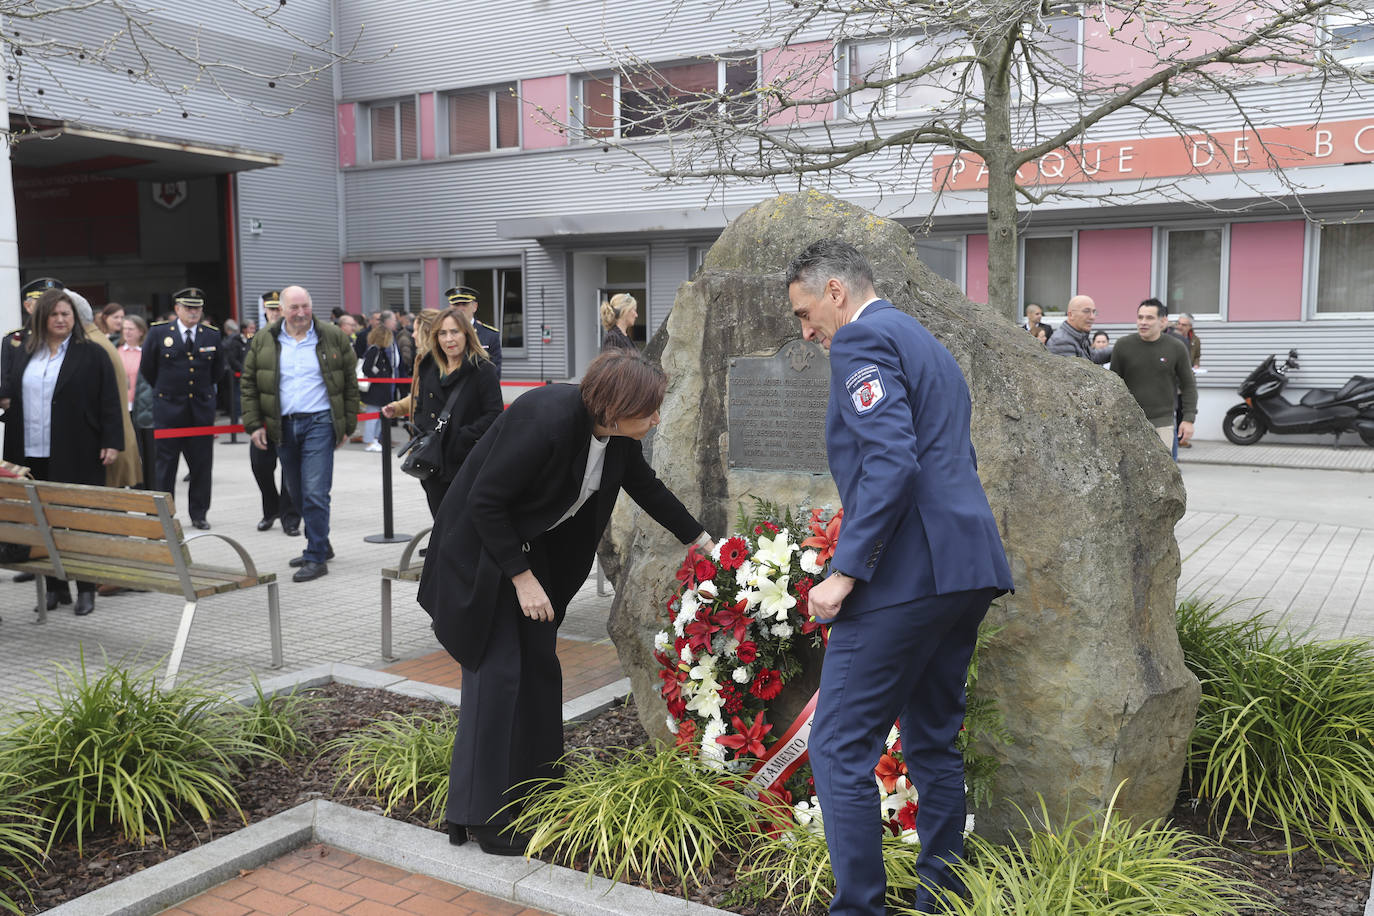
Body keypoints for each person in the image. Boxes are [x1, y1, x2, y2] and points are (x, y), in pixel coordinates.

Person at [784, 239, 1012, 915]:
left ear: (835, 292)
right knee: (933, 739)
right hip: (966, 567)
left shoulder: (862, 341)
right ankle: (942, 896)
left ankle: (860, 909)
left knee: (838, 746)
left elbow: (891, 462)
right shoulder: (923, 340)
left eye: (805, 312)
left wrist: (846, 571)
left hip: (907, 576)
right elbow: (948, 454)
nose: (805, 330)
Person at [418, 349, 712, 855]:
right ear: (614, 409)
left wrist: (705, 542)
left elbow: (648, 489)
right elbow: (484, 501)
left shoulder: (616, 438)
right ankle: (484, 820)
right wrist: (523, 580)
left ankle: (534, 795)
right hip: (484, 556)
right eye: (649, 410)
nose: (657, 418)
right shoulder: (546, 418)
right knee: (499, 676)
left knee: (537, 673)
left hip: (529, 555)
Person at [0, 289, 124, 616]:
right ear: (41, 318)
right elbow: (10, 393)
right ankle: (55, 588)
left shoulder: (92, 353)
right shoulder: (26, 352)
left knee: (77, 521)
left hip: (78, 450)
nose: (59, 320)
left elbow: (109, 400)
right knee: (41, 522)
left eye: (65, 314)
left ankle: (86, 589)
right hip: (29, 453)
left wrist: (111, 441)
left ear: (75, 318)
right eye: (53, 314)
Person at [241, 285, 359, 582]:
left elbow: (349, 382)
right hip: (282, 426)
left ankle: (316, 555)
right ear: (280, 309)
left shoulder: (332, 335)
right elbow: (250, 385)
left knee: (315, 491)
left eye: (305, 305)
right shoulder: (264, 340)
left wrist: (347, 424)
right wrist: (254, 424)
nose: (301, 312)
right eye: (293, 307)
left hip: (319, 423)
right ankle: (322, 542)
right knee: (295, 491)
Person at [382, 307, 503, 516]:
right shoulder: (429, 366)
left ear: (466, 333)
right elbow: (421, 405)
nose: (449, 339)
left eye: (455, 332)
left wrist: (463, 437)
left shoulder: (483, 369)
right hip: (433, 462)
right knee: (440, 521)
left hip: (466, 461)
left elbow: (494, 415)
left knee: (464, 524)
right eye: (442, 333)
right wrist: (422, 432)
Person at [139, 287, 225, 530]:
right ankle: (164, 514)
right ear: (177, 309)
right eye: (188, 308)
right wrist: (166, 392)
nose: (193, 312)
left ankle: (199, 514)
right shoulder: (159, 333)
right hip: (168, 410)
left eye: (197, 308)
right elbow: (148, 368)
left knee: (201, 464)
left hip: (200, 409)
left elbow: (218, 370)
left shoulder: (211, 335)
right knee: (165, 466)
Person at [67, 290, 141, 490]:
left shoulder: (91, 346)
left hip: (105, 451)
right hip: (112, 446)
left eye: (62, 314)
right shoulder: (97, 340)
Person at [1111, 300, 1197, 456]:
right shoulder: (1123, 346)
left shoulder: (1176, 347)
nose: (1143, 322)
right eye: (1140, 317)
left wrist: (1189, 419)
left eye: (1149, 318)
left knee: (1163, 477)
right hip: (1128, 422)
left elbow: (1188, 385)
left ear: (1163, 321)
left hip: (1162, 422)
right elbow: (1113, 386)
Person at [245, 291, 300, 534]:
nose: (276, 314)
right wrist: (252, 421)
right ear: (265, 312)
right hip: (265, 418)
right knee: (261, 467)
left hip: (290, 416)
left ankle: (290, 517)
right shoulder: (256, 340)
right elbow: (248, 382)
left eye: (279, 309)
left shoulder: (297, 338)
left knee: (291, 471)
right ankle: (271, 510)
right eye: (272, 310)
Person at [445, 286, 502, 378]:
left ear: (475, 306)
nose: (460, 308)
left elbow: (494, 373)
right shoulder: (442, 335)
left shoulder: (490, 335)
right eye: (456, 305)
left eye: (464, 304)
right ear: (450, 307)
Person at [360, 321, 400, 452]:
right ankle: (370, 441)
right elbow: (367, 368)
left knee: (378, 417)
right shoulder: (375, 350)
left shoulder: (380, 350)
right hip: (375, 390)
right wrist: (378, 379)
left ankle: (375, 439)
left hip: (381, 390)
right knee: (372, 417)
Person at [1046, 295, 1111, 364]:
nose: (1092, 317)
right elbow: (1076, 373)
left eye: (1094, 312)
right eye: (1086, 311)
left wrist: (1119, 348)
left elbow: (1093, 357)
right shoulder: (1061, 342)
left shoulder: (1079, 335)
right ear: (1071, 315)